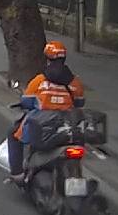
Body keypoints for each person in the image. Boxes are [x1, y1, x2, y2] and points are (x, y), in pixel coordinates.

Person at [5, 41, 86, 186]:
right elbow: (79, 103)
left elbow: (27, 101)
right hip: (67, 125)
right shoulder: (75, 82)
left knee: (13, 133)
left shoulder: (39, 81)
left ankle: (17, 174)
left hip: (43, 124)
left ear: (47, 58)